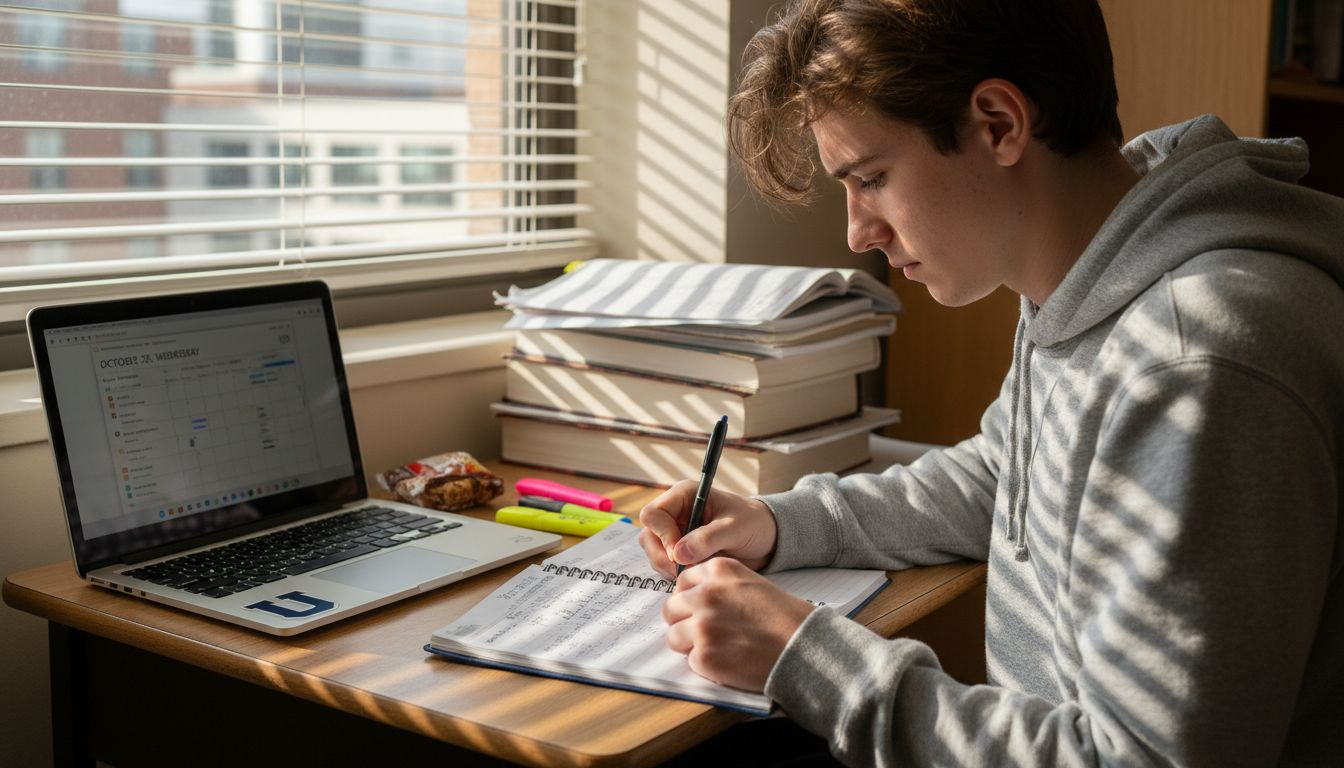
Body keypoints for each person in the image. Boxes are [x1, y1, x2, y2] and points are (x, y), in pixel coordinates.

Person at [637, 0, 1344, 765]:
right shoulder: (1090, 277)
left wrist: (806, 658)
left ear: (999, 124)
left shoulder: (1192, 360)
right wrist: (786, 525)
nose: (857, 232)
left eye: (870, 177)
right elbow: (1005, 475)